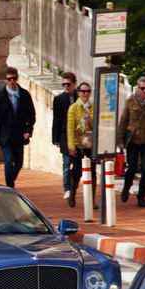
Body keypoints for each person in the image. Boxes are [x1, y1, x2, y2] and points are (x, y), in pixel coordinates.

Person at [117, 77, 145, 208]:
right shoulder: (130, 102)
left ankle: (141, 197)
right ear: (138, 88)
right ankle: (126, 188)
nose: (144, 91)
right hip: (132, 140)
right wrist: (119, 139)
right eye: (142, 88)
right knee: (131, 169)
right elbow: (123, 121)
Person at [0, 66, 36, 188]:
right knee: (9, 162)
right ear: (5, 80)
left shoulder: (24, 95)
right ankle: (9, 186)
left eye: (14, 78)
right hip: (6, 136)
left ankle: (10, 182)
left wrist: (28, 130)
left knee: (19, 163)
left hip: (20, 135)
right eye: (9, 79)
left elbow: (31, 115)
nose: (12, 81)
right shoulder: (0, 97)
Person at [67, 82, 97, 208]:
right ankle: (72, 194)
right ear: (78, 93)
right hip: (78, 144)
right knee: (77, 171)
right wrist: (71, 146)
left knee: (93, 172)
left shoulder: (94, 106)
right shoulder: (74, 108)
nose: (86, 94)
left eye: (88, 91)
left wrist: (91, 122)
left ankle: (92, 200)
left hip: (90, 144)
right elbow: (70, 128)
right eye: (83, 91)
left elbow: (99, 125)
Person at [52, 72, 77, 200]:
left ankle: (73, 184)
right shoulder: (58, 99)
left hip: (78, 136)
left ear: (74, 84)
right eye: (64, 84)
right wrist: (55, 138)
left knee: (77, 164)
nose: (66, 87)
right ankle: (67, 188)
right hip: (64, 135)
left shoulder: (80, 97)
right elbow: (56, 119)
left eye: (68, 84)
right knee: (66, 163)